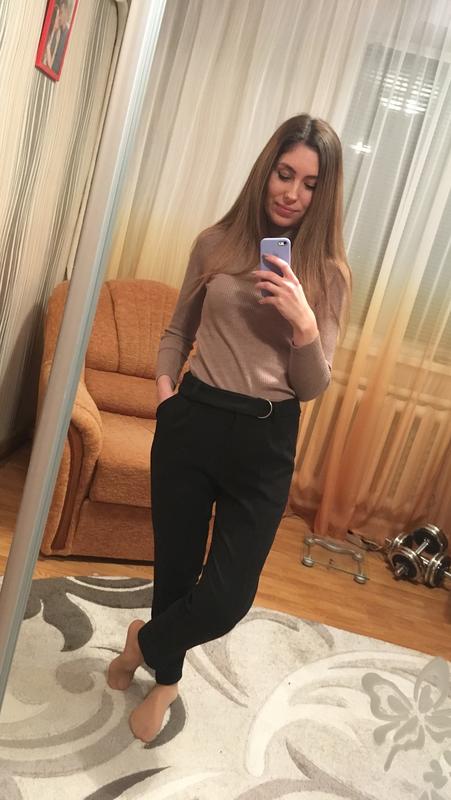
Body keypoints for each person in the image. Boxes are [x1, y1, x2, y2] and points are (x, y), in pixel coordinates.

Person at [107, 113, 351, 743]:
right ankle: (166, 681)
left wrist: (303, 324)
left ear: (325, 193)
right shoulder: (215, 244)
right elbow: (176, 332)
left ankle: (144, 643)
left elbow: (312, 386)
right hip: (193, 419)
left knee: (227, 597)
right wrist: (167, 398)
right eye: (285, 173)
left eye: (310, 183)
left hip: (266, 440)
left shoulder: (327, 275)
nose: (292, 193)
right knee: (175, 569)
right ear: (266, 170)